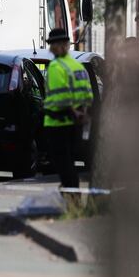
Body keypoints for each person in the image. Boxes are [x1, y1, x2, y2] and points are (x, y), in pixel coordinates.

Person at [43, 28, 94, 189]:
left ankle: (71, 196)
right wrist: (81, 114)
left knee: (62, 164)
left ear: (55, 46)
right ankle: (72, 193)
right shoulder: (78, 66)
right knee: (70, 162)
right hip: (76, 124)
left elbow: (61, 98)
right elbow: (87, 96)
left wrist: (71, 112)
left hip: (58, 123)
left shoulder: (56, 66)